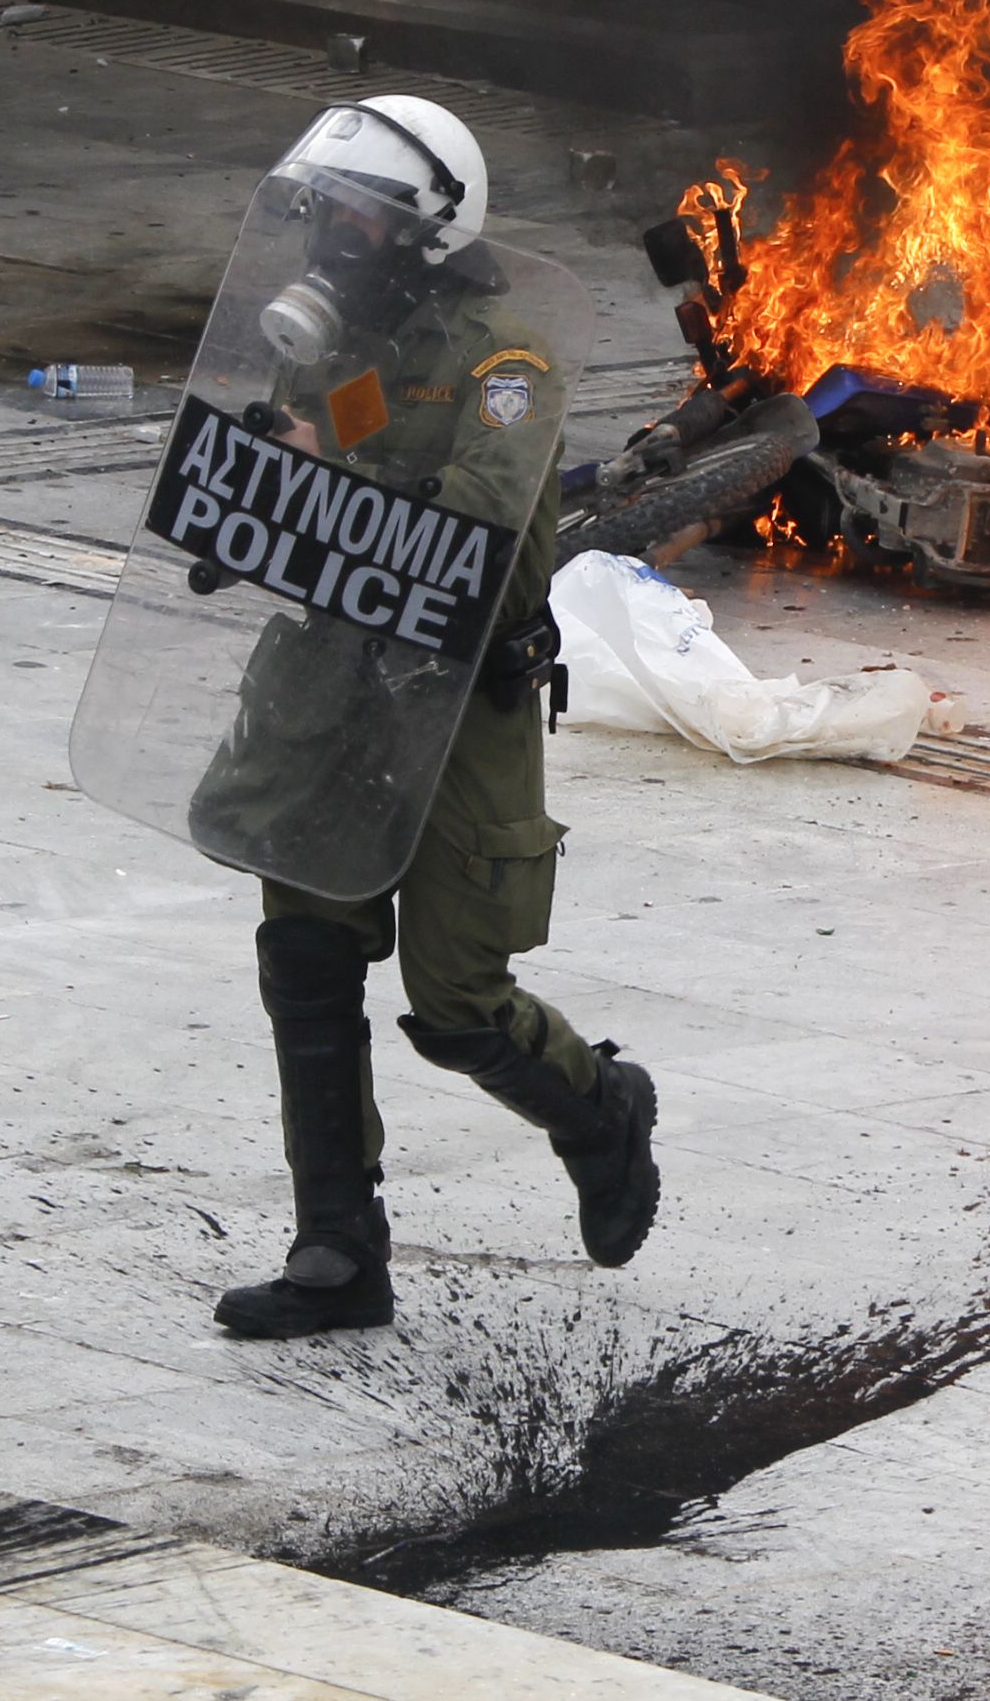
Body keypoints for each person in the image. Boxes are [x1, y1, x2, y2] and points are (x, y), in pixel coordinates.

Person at [206, 96, 661, 1338]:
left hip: (462, 698)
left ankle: (597, 1105)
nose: (334, 237)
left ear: (427, 228)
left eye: (356, 214)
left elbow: (465, 512)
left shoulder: (503, 365)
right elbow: (345, 450)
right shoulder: (345, 352)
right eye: (326, 211)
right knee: (304, 960)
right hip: (334, 689)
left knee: (457, 1003)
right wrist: (255, 489)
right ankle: (338, 1250)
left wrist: (324, 474)